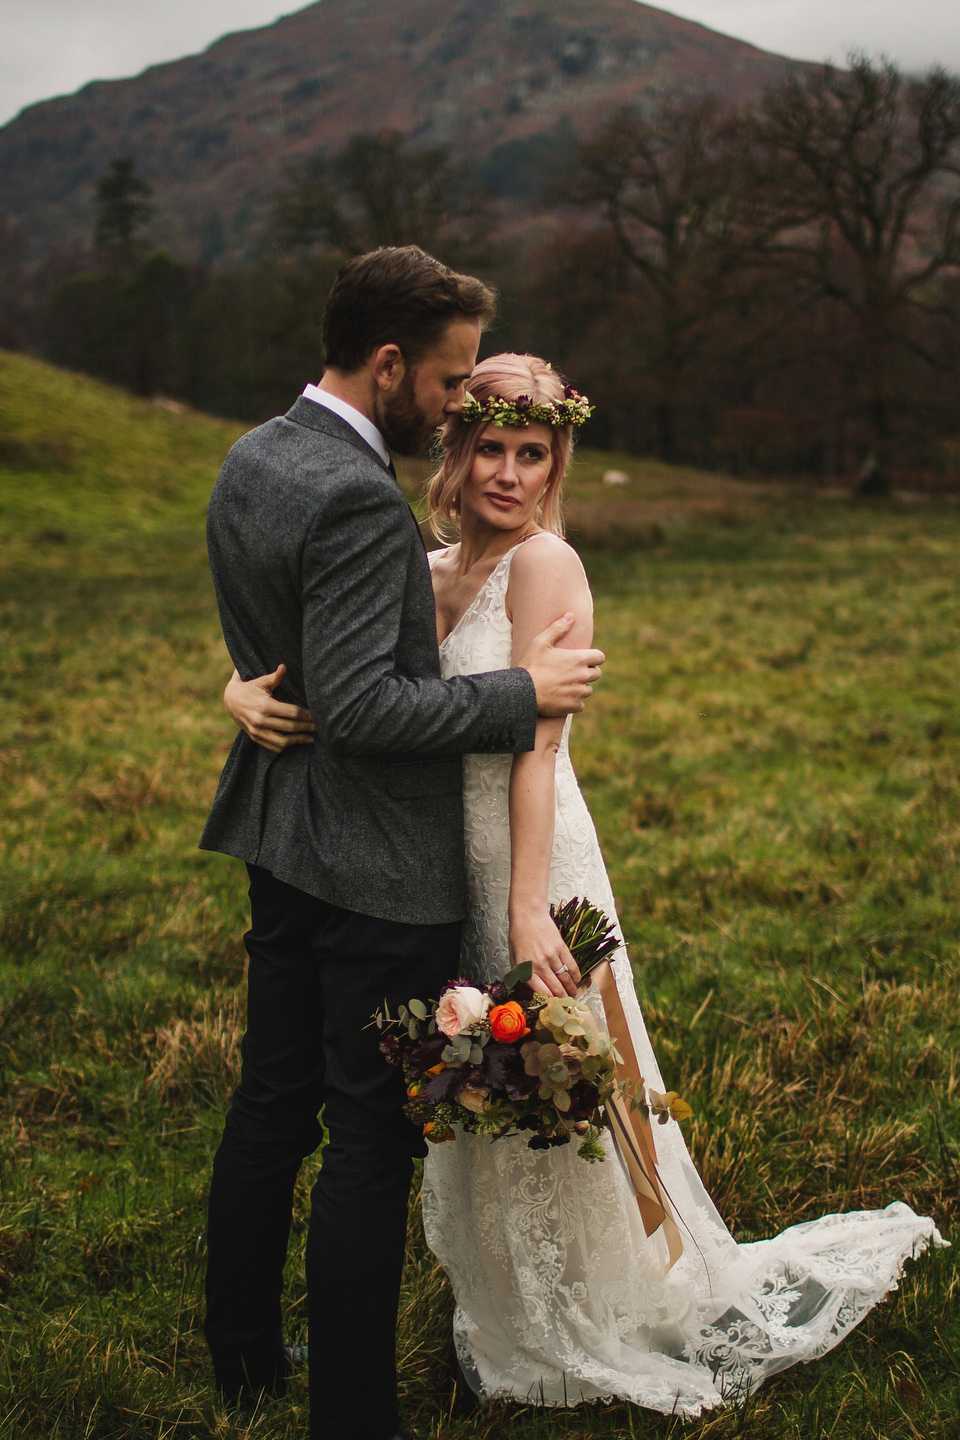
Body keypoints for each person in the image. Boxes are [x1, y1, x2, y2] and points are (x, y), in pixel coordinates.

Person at [226, 352, 944, 1419]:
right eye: (491, 449)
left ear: (555, 465)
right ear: (455, 452)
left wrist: (525, 905)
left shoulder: (547, 567)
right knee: (481, 1071)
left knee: (563, 1068)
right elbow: (349, 687)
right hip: (436, 862)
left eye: (533, 454)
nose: (510, 474)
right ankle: (511, 1302)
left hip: (529, 852)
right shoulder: (421, 571)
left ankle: (602, 1303)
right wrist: (237, 686)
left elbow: (536, 752)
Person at [200, 253, 606, 1440]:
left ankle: (241, 1357)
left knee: (270, 1103)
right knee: (367, 1137)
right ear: (388, 365)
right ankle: (354, 1413)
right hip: (377, 866)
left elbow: (281, 626)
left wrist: (243, 683)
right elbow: (369, 706)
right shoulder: (360, 497)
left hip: (285, 841)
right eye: (443, 383)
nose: (455, 406)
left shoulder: (253, 455)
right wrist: (519, 692)